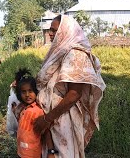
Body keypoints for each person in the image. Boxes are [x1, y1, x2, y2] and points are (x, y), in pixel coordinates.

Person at [33, 15, 106, 158]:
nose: (50, 33)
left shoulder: (76, 54)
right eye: (50, 30)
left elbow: (74, 94)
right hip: (51, 117)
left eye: (54, 30)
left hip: (62, 118)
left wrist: (48, 119)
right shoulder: (59, 51)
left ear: (65, 30)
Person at [12, 68, 55, 158]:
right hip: (21, 152)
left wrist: (51, 152)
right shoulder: (22, 108)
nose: (27, 95)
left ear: (36, 92)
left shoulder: (37, 111)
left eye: (30, 91)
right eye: (23, 92)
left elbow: (46, 132)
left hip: (33, 154)